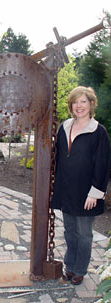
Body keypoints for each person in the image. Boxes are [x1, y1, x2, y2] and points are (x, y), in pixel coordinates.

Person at [51, 86, 110, 285]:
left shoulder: (98, 132)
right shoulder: (64, 127)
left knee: (84, 233)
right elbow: (57, 157)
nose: (79, 106)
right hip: (67, 189)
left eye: (83, 101)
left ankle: (80, 270)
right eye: (76, 102)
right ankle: (70, 266)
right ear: (71, 105)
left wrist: (95, 193)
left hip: (87, 193)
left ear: (91, 104)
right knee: (69, 231)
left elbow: (103, 165)